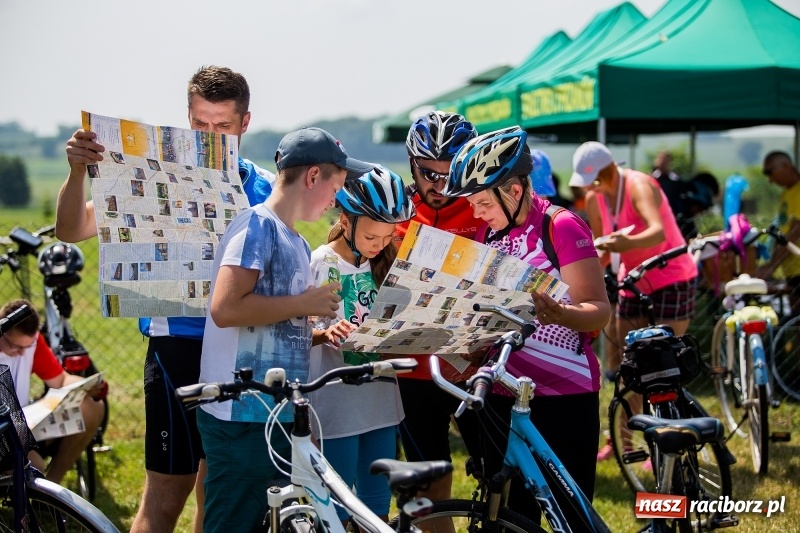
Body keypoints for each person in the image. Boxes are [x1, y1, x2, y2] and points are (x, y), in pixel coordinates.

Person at [56, 65, 275, 533]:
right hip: (177, 344)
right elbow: (72, 229)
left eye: (224, 127)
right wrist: (77, 173)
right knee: (165, 492)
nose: (211, 135)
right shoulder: (154, 174)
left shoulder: (264, 187)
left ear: (245, 123)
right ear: (186, 120)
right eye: (200, 125)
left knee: (217, 490)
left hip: (239, 347)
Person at [197, 126, 373, 532]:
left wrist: (312, 332)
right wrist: (303, 304)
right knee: (234, 522)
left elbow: (274, 327)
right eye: (338, 186)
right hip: (240, 414)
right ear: (313, 177)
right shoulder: (257, 225)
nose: (337, 200)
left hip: (271, 413)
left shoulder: (294, 240)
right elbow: (225, 309)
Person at [441, 126, 610, 523]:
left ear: (514, 191)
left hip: (565, 392)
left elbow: (599, 310)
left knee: (570, 513)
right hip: (506, 391)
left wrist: (562, 314)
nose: (475, 213)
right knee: (513, 513)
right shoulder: (489, 232)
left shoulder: (561, 226)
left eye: (481, 202)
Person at [569, 141, 698, 461]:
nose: (590, 188)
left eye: (593, 179)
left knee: (666, 365)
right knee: (629, 365)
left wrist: (625, 241)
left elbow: (657, 233)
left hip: (673, 277)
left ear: (610, 169)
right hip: (634, 280)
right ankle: (622, 441)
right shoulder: (598, 197)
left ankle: (674, 444)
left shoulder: (640, 184)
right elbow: (604, 250)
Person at [307, 165, 415, 528]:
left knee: (377, 504)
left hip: (381, 400)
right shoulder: (323, 262)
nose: (379, 244)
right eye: (372, 235)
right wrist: (325, 333)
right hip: (337, 405)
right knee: (337, 506)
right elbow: (296, 328)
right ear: (347, 220)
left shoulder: (384, 262)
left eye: (387, 236)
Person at [393, 111, 480, 512]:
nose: (440, 186)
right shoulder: (395, 210)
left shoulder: (484, 208)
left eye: (451, 174)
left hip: (476, 367)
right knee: (429, 483)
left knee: (499, 474)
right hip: (413, 370)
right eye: (429, 174)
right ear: (412, 163)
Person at [0, 299, 105, 485]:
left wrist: (86, 386)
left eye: (28, 346)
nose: (23, 353)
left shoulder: (30, 343)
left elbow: (60, 380)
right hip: (5, 432)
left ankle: (52, 490)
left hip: (23, 424)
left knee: (92, 406)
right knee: (34, 466)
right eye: (16, 347)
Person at [756, 151, 800, 317]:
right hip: (792, 271)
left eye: (770, 171)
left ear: (786, 166)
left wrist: (771, 267)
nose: (770, 179)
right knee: (796, 323)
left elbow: (795, 233)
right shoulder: (786, 194)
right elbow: (782, 233)